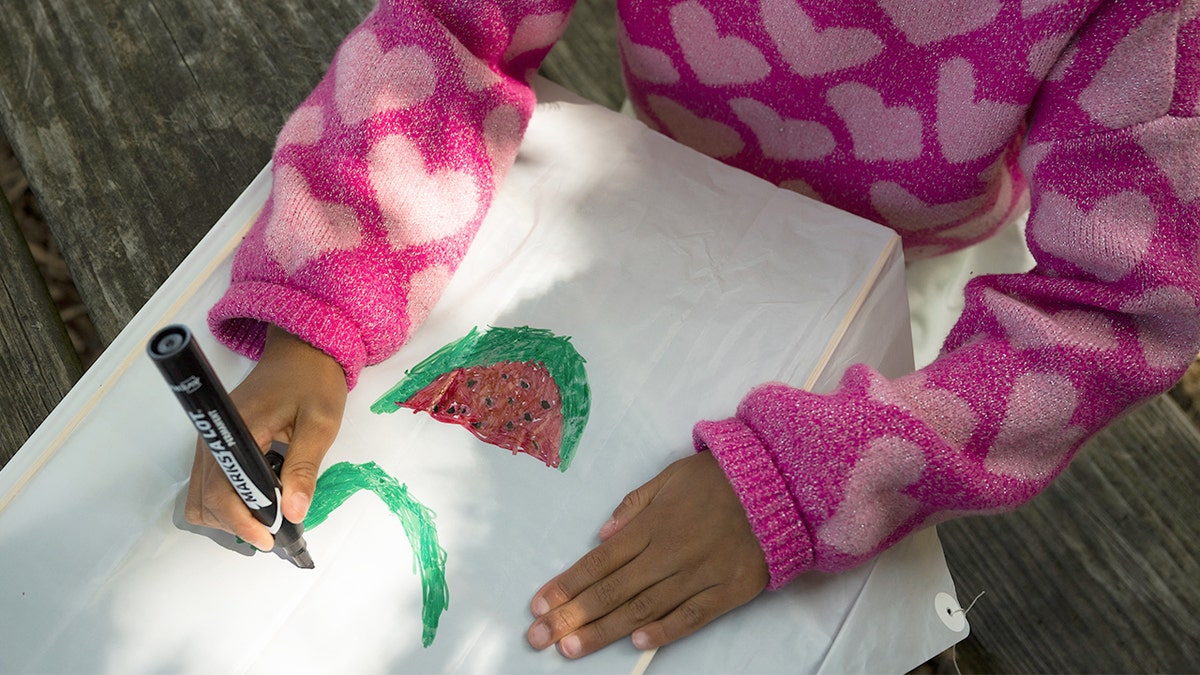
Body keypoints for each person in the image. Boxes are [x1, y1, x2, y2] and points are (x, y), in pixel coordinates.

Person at [186, 0, 1200, 660]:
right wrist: (322, 296)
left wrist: (813, 485)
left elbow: (1119, 303)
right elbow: (447, 25)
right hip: (658, 184)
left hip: (916, 256)